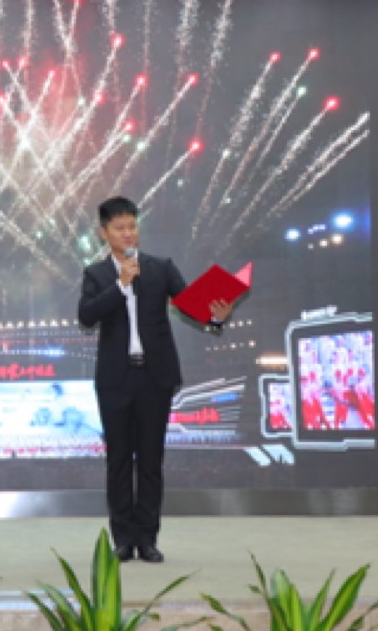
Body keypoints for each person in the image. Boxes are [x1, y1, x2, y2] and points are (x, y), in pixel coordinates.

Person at [77, 196, 235, 563]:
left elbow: (192, 304)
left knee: (150, 462)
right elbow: (86, 315)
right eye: (119, 228)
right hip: (115, 379)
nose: (128, 233)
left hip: (154, 377)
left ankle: (147, 539)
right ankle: (122, 540)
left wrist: (217, 316)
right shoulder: (96, 275)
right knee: (118, 462)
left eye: (132, 226)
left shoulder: (161, 268)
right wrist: (120, 285)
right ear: (104, 233)